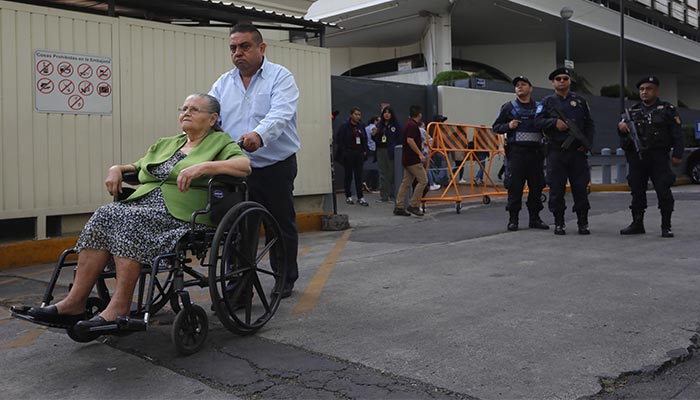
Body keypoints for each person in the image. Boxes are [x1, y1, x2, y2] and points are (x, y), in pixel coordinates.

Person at [13, 94, 250, 330]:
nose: (186, 112)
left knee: (129, 219)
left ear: (212, 119)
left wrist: (205, 166)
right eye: (184, 108)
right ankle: (74, 302)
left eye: (194, 109)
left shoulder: (220, 143)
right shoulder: (167, 143)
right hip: (143, 203)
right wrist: (116, 168)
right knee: (105, 213)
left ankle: (119, 306)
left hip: (183, 213)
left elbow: (244, 166)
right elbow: (137, 168)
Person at [209, 23, 300, 297]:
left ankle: (285, 277)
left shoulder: (280, 77)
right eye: (233, 48)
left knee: (279, 225)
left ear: (261, 48)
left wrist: (259, 136)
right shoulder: (223, 83)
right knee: (240, 229)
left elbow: (281, 114)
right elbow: (211, 114)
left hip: (275, 165)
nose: (238, 53)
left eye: (245, 46)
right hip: (237, 168)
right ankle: (239, 289)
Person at [617, 76, 684, 238]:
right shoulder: (632, 111)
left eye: (649, 88)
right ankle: (637, 223)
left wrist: (677, 154)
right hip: (637, 157)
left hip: (658, 156)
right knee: (637, 191)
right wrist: (621, 127)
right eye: (641, 89)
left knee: (663, 190)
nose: (644, 92)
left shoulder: (667, 109)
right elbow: (623, 136)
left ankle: (666, 226)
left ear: (656, 90)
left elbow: (677, 134)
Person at [535, 67, 595, 235]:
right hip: (556, 151)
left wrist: (587, 143)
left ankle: (583, 222)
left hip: (577, 152)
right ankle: (559, 222)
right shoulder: (546, 102)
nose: (562, 81)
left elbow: (589, 124)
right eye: (558, 79)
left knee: (580, 188)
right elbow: (537, 122)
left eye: (565, 78)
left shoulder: (580, 101)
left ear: (569, 81)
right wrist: (554, 124)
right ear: (553, 82)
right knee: (556, 189)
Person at [492, 76, 548, 231]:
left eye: (523, 85)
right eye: (517, 85)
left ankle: (535, 219)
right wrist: (509, 125)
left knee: (536, 187)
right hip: (516, 154)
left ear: (531, 88)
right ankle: (513, 220)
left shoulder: (540, 108)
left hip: (536, 154)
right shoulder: (509, 107)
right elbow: (496, 127)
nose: (520, 87)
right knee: (514, 188)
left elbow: (548, 125)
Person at [394, 105, 427, 217]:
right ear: (419, 114)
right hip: (413, 159)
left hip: (407, 158)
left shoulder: (408, 124)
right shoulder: (413, 126)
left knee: (406, 183)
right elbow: (410, 140)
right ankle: (414, 204)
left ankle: (399, 206)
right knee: (423, 180)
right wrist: (420, 154)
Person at [335, 106, 370, 206]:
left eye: (359, 114)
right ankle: (348, 196)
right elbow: (339, 139)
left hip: (359, 153)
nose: (358, 116)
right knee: (348, 175)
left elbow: (364, 138)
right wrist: (345, 151)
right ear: (351, 115)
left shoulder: (361, 125)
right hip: (349, 153)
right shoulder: (345, 126)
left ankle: (360, 197)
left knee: (359, 175)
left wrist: (364, 150)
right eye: (355, 114)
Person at [374, 106, 401, 202]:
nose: (387, 114)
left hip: (391, 151)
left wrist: (395, 148)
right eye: (385, 112)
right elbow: (376, 139)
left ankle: (393, 195)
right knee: (382, 174)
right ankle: (383, 196)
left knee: (392, 173)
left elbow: (399, 138)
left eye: (389, 112)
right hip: (381, 150)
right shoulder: (379, 125)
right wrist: (374, 135)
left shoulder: (395, 125)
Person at [363, 115, 380, 192]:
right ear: (375, 121)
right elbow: (373, 134)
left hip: (368, 148)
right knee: (374, 168)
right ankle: (372, 185)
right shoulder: (374, 127)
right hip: (373, 148)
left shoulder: (366, 128)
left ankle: (366, 182)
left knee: (369, 167)